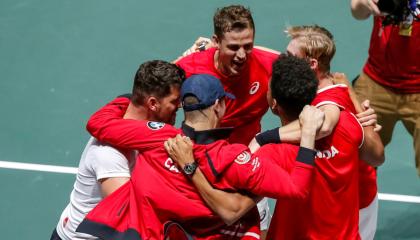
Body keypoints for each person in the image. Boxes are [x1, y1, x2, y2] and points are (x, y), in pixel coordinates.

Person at [77, 57, 324, 239]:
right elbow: (297, 189)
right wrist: (309, 134)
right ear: (219, 106)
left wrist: (132, 96)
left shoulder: (157, 138)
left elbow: (98, 123)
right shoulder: (233, 158)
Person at [252, 25, 383, 239]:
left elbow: (321, 126)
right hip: (326, 200)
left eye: (290, 56)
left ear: (312, 63)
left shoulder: (329, 100)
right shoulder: (307, 84)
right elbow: (268, 56)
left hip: (353, 202)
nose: (283, 60)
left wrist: (265, 138)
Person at [50, 60, 185, 240]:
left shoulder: (131, 124)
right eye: (174, 101)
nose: (179, 106)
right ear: (152, 103)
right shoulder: (109, 154)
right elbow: (128, 218)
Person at [175, 5, 279, 234]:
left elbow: (316, 79)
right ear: (216, 41)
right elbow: (155, 97)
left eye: (248, 46)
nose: (242, 55)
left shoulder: (269, 65)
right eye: (233, 47)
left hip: (246, 177)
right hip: (199, 177)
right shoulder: (190, 68)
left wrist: (349, 105)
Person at [351, 1, 419, 238]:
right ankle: (354, 227)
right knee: (355, 154)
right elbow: (357, 12)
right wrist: (362, 3)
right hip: (376, 82)